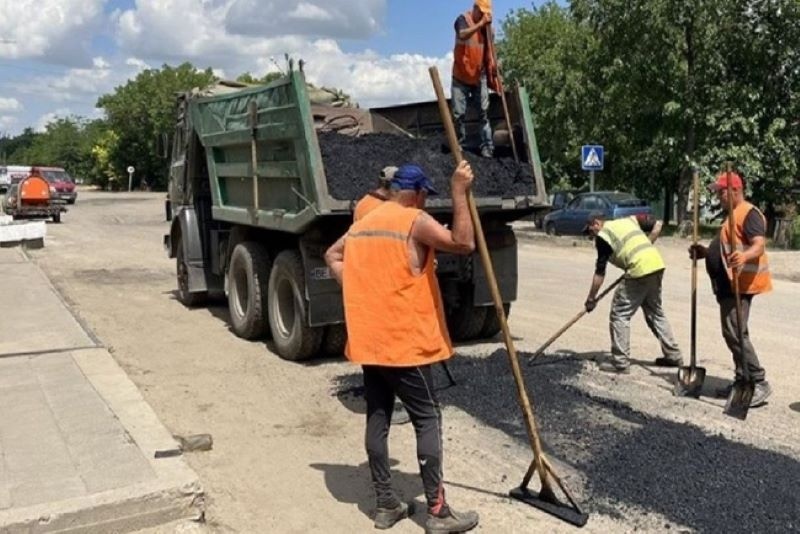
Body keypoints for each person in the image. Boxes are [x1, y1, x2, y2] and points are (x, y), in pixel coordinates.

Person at [325, 162, 480, 533]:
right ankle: (438, 512)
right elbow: (464, 244)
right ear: (418, 194)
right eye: (427, 195)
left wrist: (356, 284)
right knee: (427, 417)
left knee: (377, 417)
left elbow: (331, 255)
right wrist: (459, 191)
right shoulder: (414, 220)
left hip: (370, 343)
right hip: (404, 344)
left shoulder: (361, 227)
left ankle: (385, 505)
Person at [689, 171, 772, 407]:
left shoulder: (749, 213)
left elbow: (758, 245)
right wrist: (706, 253)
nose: (718, 196)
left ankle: (757, 381)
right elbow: (725, 248)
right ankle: (741, 379)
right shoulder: (732, 215)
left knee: (735, 333)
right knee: (732, 332)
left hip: (741, 285)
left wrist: (744, 256)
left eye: (721, 192)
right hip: (727, 284)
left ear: (735, 190)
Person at [584, 213, 683, 373]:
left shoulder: (603, 237)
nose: (591, 235)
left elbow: (600, 273)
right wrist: (646, 247)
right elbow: (657, 224)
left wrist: (591, 299)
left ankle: (620, 362)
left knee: (620, 314)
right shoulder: (628, 220)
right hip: (655, 264)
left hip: (639, 270)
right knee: (655, 313)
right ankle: (673, 356)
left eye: (590, 231)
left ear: (596, 223)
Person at [452, 0, 497, 158]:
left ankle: (487, 147)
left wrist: (493, 66)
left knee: (483, 113)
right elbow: (462, 34)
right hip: (461, 76)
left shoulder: (487, 28)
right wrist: (480, 25)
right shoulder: (462, 20)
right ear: (475, 8)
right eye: (481, 11)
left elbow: (490, 50)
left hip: (479, 76)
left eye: (486, 12)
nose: (484, 15)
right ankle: (459, 147)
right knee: (458, 114)